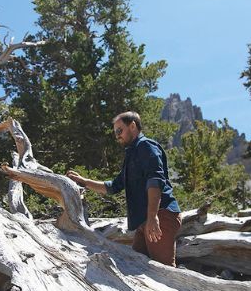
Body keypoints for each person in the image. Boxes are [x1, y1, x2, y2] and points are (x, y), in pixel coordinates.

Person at [67, 111, 182, 266]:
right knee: (136, 267)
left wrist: (153, 217)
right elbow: (113, 187)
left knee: (166, 272)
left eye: (119, 130)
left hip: (161, 216)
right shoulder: (132, 154)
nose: (117, 136)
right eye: (115, 132)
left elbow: (155, 181)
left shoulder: (146, 147)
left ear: (133, 126)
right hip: (144, 221)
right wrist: (83, 181)